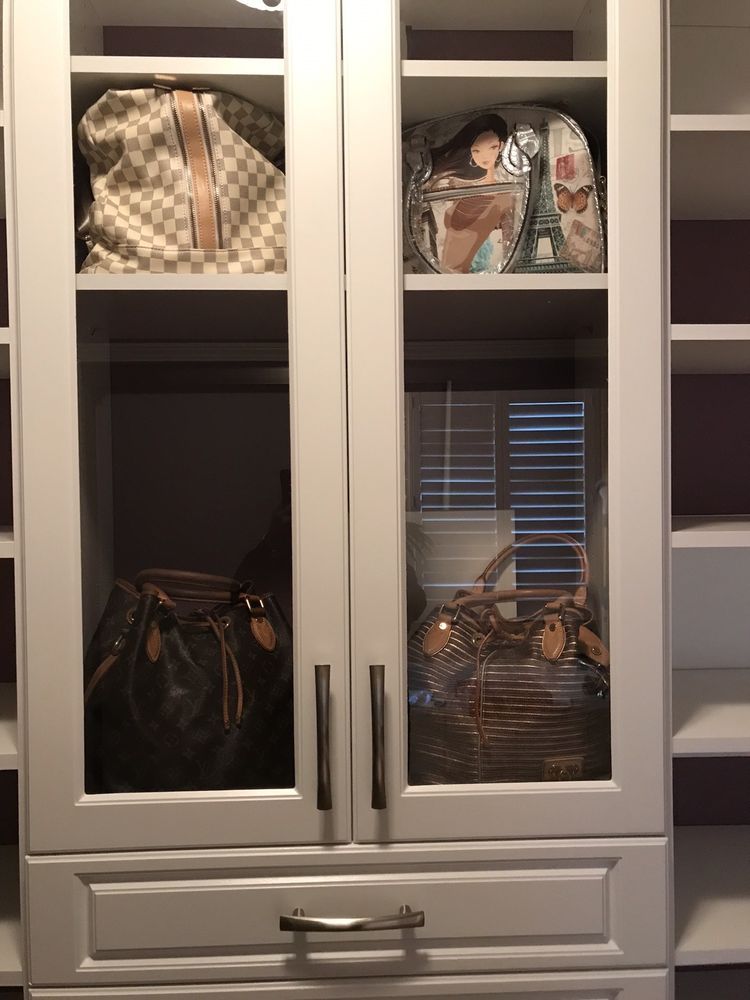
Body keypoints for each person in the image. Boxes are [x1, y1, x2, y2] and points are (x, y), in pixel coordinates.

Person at [426, 114, 519, 274]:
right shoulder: (461, 183)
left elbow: (509, 237)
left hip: (481, 271)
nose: (484, 156)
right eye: (476, 150)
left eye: (492, 147)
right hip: (452, 271)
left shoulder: (504, 192)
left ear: (501, 146)